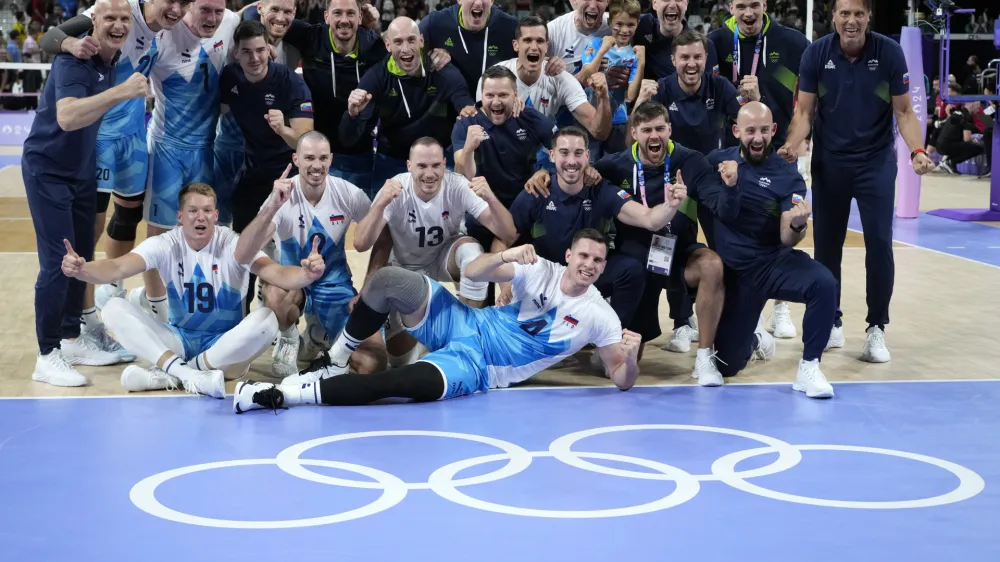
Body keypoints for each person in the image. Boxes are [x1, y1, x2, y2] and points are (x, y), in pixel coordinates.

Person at [232, 229, 643, 413]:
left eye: (597, 260)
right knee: (389, 281)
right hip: (466, 322)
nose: (588, 264)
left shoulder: (600, 315)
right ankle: (339, 357)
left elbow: (621, 378)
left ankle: (286, 396)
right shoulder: (539, 268)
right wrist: (504, 255)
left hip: (480, 367)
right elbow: (476, 273)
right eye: (583, 256)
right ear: (570, 255)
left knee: (392, 387)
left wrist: (632, 356)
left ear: (603, 266)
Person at [778, 0, 935, 363]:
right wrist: (791, 144)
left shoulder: (890, 53)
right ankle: (831, 320)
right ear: (833, 16)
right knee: (827, 248)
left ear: (868, 17)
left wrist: (916, 151)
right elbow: (804, 112)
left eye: (858, 14)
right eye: (844, 13)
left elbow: (904, 111)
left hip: (875, 165)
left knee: (880, 245)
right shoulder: (816, 53)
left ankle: (876, 328)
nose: (851, 21)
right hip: (830, 164)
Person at [63, 184, 326, 397]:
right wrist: (82, 270)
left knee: (267, 320)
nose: (200, 216)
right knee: (113, 308)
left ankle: (172, 374)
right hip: (179, 341)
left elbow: (278, 274)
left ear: (216, 216)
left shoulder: (234, 244)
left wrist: (306, 274)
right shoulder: (165, 244)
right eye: (192, 210)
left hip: (226, 349)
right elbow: (117, 268)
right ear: (180, 217)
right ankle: (189, 374)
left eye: (207, 210)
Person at [39, 0, 188, 351]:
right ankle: (86, 318)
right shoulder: (114, 13)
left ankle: (112, 290)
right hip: (100, 136)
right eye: (171, 1)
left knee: (128, 217)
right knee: (88, 230)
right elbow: (50, 37)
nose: (177, 9)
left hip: (134, 134)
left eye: (184, 3)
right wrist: (69, 43)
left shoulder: (171, 29)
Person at [22, 0, 150, 386]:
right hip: (48, 171)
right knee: (57, 264)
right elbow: (67, 116)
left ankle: (72, 338)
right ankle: (46, 355)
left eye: (124, 19)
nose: (118, 25)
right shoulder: (75, 59)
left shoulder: (109, 59)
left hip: (78, 174)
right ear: (94, 20)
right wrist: (122, 93)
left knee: (80, 258)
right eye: (109, 18)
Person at [495, 125, 686, 348]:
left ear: (588, 156)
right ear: (552, 155)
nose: (571, 161)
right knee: (526, 348)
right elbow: (502, 239)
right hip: (546, 283)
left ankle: (611, 342)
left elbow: (649, 219)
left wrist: (671, 205)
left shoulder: (601, 190)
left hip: (587, 277)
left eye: (578, 153)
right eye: (564, 153)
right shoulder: (537, 191)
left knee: (631, 269)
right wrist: (505, 285)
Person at [705, 102, 837, 396]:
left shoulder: (787, 176)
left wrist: (797, 225)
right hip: (736, 275)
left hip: (772, 264)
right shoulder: (718, 161)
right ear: (737, 131)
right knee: (726, 365)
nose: (757, 138)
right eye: (750, 130)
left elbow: (787, 239)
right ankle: (754, 338)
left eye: (764, 130)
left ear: (774, 131)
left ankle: (809, 368)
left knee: (824, 283)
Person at [350, 137, 516, 368]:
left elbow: (508, 233)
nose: (430, 173)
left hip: (442, 257)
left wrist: (490, 198)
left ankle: (467, 344)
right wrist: (379, 204)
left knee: (472, 253)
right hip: (403, 269)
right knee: (400, 361)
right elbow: (360, 243)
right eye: (422, 166)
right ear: (409, 166)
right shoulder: (396, 188)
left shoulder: (457, 185)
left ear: (444, 164)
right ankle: (429, 345)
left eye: (436, 165)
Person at [592, 101, 727, 380]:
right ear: (634, 132)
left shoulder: (691, 161)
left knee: (712, 265)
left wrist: (730, 183)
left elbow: (716, 200)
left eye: (660, 129)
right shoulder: (613, 166)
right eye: (646, 130)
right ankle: (598, 337)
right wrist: (546, 173)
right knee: (617, 366)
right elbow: (575, 174)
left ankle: (704, 357)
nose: (654, 136)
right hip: (636, 267)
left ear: (670, 129)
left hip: (679, 257)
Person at [235, 132, 385, 377]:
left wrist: (369, 289)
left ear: (331, 159)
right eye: (309, 158)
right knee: (273, 292)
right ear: (296, 159)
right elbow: (242, 254)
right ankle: (289, 339)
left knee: (372, 364)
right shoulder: (282, 195)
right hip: (293, 282)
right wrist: (271, 206)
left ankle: (319, 336)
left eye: (323, 158)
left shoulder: (349, 194)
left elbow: (382, 237)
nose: (317, 165)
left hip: (335, 285)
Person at [708, 0, 810, 341]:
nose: (748, 13)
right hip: (735, 154)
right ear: (730, 6)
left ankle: (780, 306)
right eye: (741, 5)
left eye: (754, 4)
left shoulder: (793, 43)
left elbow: (808, 102)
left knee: (779, 226)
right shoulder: (717, 42)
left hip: (779, 152)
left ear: (765, 4)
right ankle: (744, 311)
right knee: (735, 231)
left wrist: (794, 142)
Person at [139, 0, 243, 321]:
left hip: (205, 149)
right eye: (205, 9)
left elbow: (261, 11)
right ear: (187, 6)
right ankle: (156, 306)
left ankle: (197, 297)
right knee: (160, 232)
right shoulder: (162, 34)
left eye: (218, 10)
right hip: (166, 148)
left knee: (204, 230)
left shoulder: (231, 22)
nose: (213, 18)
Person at [219, 19, 315, 310]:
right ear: (237, 53)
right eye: (247, 51)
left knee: (291, 255)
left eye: (260, 50)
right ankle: (237, 318)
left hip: (287, 178)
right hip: (249, 175)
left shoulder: (291, 82)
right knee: (242, 249)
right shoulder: (229, 78)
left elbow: (304, 142)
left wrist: (283, 128)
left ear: (270, 50)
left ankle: (287, 327)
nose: (255, 57)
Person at [339, 16, 477, 196]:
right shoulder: (376, 78)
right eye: (398, 42)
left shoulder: (442, 70)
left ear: (421, 41)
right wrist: (352, 115)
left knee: (453, 215)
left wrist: (468, 111)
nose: (406, 48)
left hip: (438, 158)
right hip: (393, 158)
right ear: (388, 46)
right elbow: (347, 139)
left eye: (411, 40)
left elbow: (464, 103)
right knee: (381, 217)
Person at [279, 0, 389, 191]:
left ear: (360, 17)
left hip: (360, 155)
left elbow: (410, 49)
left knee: (358, 219)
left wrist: (440, 54)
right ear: (326, 17)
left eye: (350, 14)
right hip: (316, 155)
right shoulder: (311, 36)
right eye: (337, 13)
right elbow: (266, 16)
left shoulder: (376, 47)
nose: (344, 20)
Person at [214, 0, 303, 226]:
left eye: (287, 11)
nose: (281, 18)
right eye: (274, 9)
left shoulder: (297, 43)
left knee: (270, 220)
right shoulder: (237, 30)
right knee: (223, 212)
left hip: (270, 150)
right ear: (261, 8)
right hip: (232, 140)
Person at [453, 65, 555, 252]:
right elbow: (461, 175)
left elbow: (565, 147)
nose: (496, 102)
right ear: (481, 96)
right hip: (482, 212)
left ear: (516, 95)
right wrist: (468, 149)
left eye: (503, 95)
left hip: (522, 209)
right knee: (480, 273)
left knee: (521, 273)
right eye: (490, 95)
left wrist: (546, 169)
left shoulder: (529, 118)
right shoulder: (467, 122)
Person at [481, 16, 612, 144]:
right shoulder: (493, 78)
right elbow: (482, 125)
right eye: (527, 40)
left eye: (539, 41)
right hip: (505, 151)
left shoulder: (562, 79)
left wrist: (604, 98)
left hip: (546, 156)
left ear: (547, 46)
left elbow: (600, 132)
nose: (534, 47)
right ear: (516, 45)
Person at [632, 29, 753, 155]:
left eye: (697, 57)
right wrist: (639, 101)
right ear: (673, 60)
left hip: (712, 167)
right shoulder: (661, 89)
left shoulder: (720, 86)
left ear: (705, 58)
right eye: (684, 57)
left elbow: (749, 124)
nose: (691, 64)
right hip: (673, 168)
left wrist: (755, 101)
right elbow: (632, 141)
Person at [419, 0, 519, 95]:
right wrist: (428, 57)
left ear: (492, 0)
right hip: (453, 108)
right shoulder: (435, 23)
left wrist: (518, 93)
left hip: (497, 107)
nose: (478, 3)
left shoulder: (510, 26)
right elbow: (407, 53)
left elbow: (529, 66)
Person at [635, 0, 718, 80]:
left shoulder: (704, 46)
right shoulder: (640, 25)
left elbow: (712, 88)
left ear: (686, 3)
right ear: (654, 3)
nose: (672, 5)